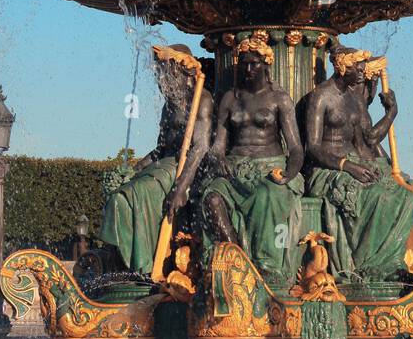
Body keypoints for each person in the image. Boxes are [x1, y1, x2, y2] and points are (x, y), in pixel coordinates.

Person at [304, 46, 413, 281]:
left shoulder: (354, 100)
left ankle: (391, 261)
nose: (363, 73)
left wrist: (391, 113)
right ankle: (368, 265)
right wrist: (347, 166)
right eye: (358, 67)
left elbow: (369, 139)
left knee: (405, 196)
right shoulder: (321, 96)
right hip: (328, 169)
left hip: (355, 164)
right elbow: (313, 148)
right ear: (342, 67)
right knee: (378, 197)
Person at [100, 45, 213, 274]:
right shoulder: (169, 106)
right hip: (164, 164)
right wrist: (133, 169)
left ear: (184, 73)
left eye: (166, 74)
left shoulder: (201, 99)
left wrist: (181, 186)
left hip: (186, 167)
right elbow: (160, 149)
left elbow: (200, 147)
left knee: (132, 194)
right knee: (119, 195)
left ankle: (144, 265)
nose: (161, 81)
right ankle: (124, 262)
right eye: (159, 75)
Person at [202, 33, 304, 287]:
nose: (248, 69)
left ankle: (265, 264)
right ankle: (236, 259)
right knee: (211, 198)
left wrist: (289, 174)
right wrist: (218, 159)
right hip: (235, 169)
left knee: (266, 197)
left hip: (269, 167)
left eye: (254, 64)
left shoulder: (279, 99)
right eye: (244, 63)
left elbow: (296, 148)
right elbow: (218, 146)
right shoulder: (229, 99)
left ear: (266, 65)